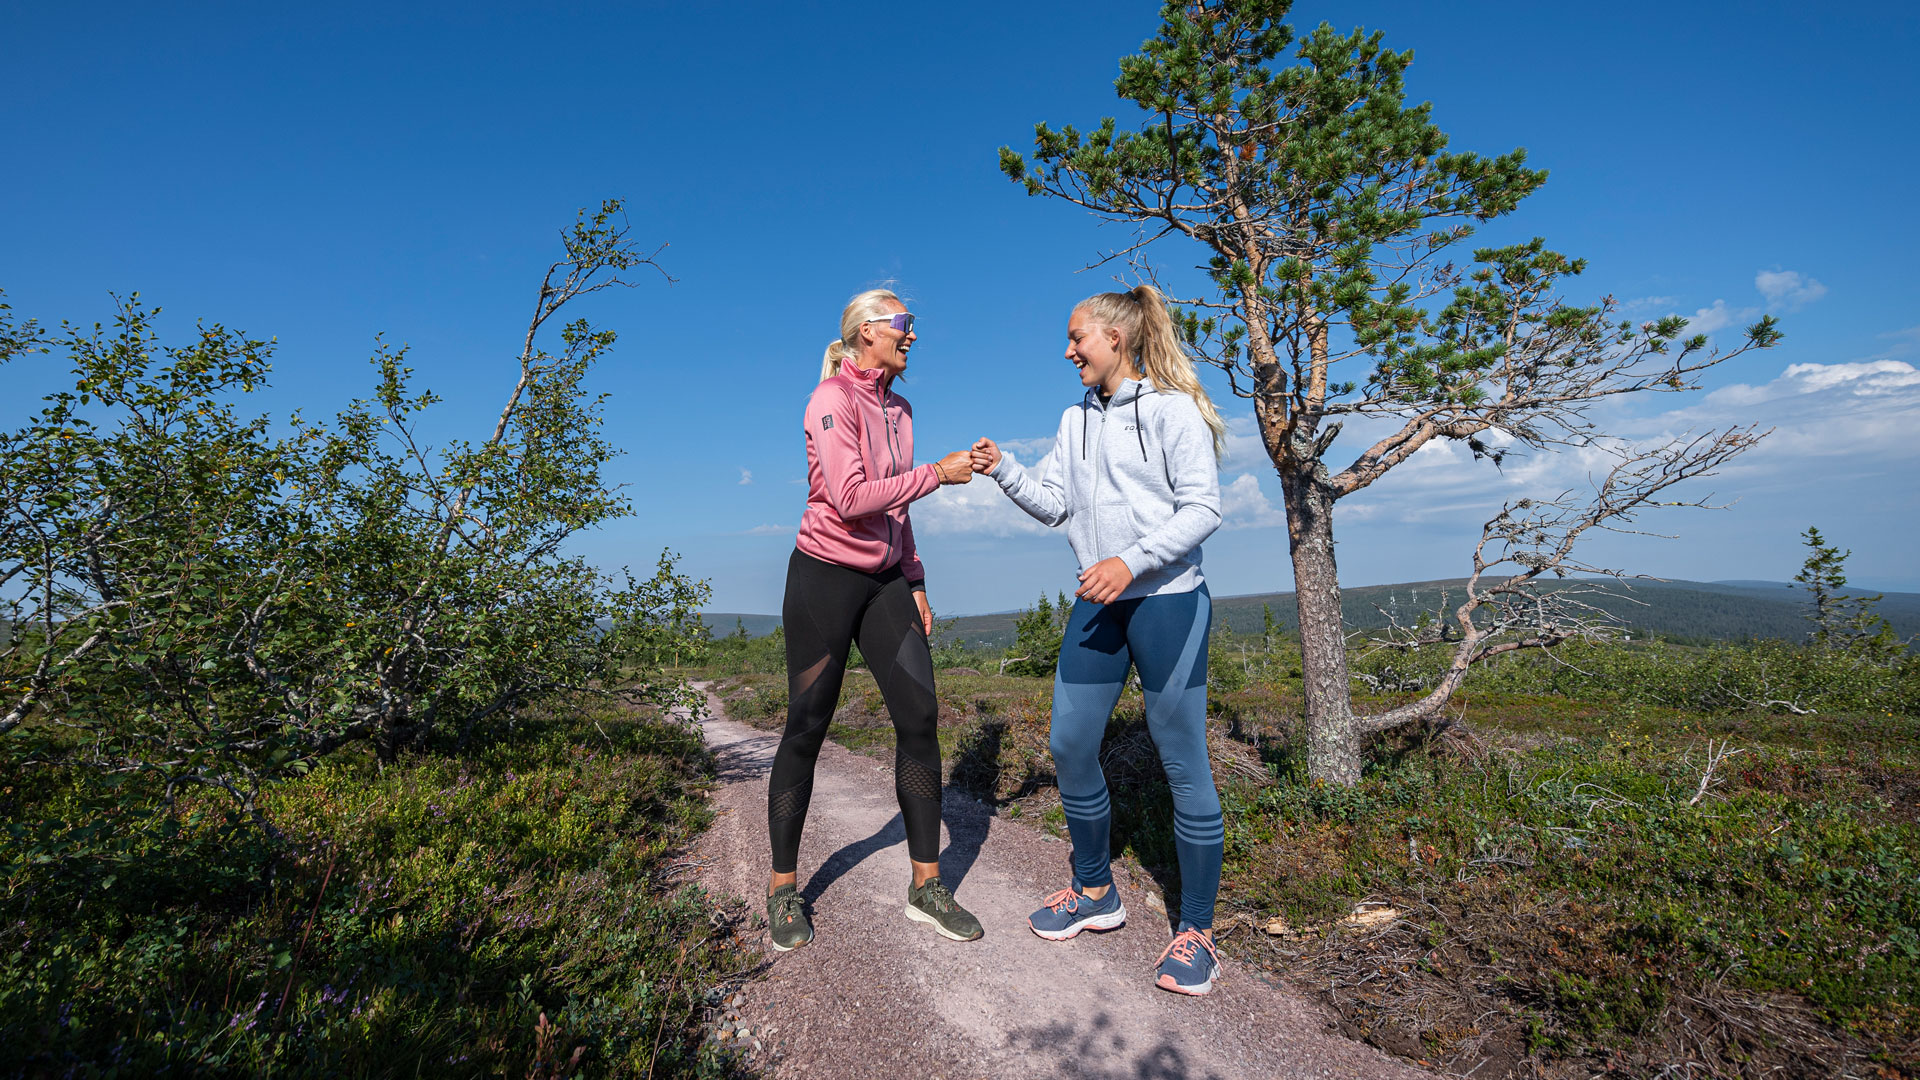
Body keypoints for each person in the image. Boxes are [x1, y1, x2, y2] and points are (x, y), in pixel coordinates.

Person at [970, 284, 1229, 995]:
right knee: (1069, 743)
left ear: (1115, 337)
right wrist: (1005, 472)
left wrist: (1130, 561)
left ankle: (1197, 932)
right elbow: (1057, 505)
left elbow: (1204, 508)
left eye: (1076, 336)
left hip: (1166, 602)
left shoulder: (1173, 412)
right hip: (1098, 601)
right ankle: (1095, 894)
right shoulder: (1073, 419)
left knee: (1182, 761)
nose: (1068, 349)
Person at [765, 288, 983, 952]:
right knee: (807, 727)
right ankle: (781, 890)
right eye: (902, 324)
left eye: (912, 324)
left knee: (919, 718)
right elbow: (851, 497)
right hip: (824, 577)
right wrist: (937, 475)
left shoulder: (900, 407)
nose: (911, 334)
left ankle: (926, 886)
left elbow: (895, 513)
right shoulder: (831, 400)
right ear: (866, 333)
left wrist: (913, 578)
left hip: (885, 578)